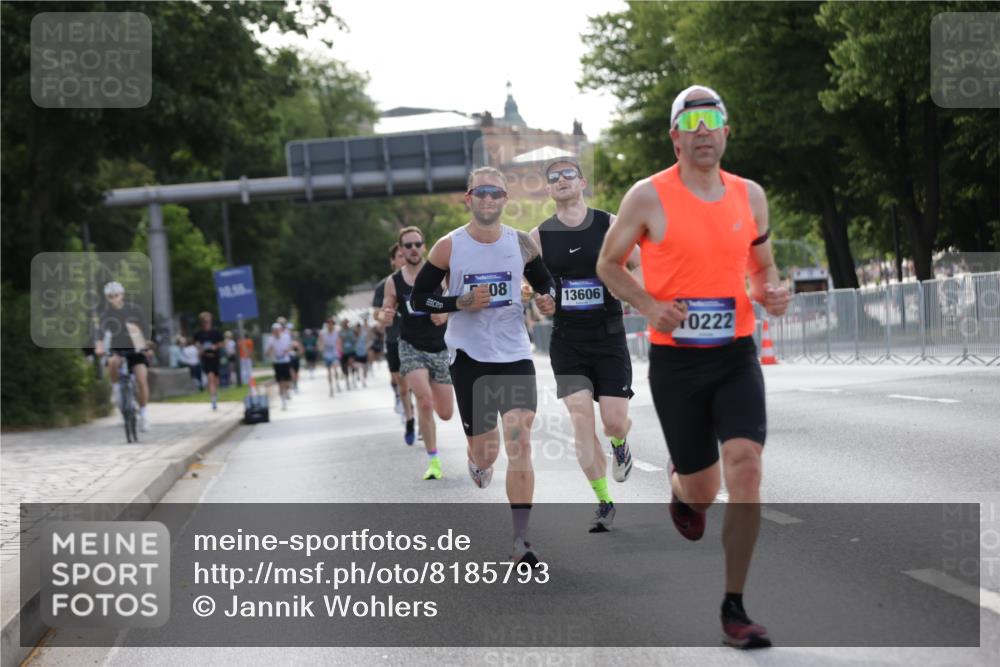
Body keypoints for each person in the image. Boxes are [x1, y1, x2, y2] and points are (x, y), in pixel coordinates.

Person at [596, 85, 791, 649]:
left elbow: (761, 265)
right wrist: (651, 305)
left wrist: (770, 291)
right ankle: (684, 492)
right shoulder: (647, 197)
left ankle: (735, 607)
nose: (704, 129)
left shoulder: (750, 196)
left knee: (746, 466)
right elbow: (609, 264)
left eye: (714, 119)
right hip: (677, 362)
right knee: (704, 490)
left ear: (727, 131)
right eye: (692, 120)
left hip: (734, 355)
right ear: (675, 135)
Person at [410, 167, 556, 564]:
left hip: (514, 354)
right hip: (469, 357)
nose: (488, 200)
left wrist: (547, 300)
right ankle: (477, 461)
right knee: (489, 453)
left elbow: (546, 285)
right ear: (469, 198)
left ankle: (522, 540)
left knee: (520, 439)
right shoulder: (448, 246)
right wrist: (459, 302)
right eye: (481, 193)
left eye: (496, 193)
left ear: (505, 199)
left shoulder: (521, 244)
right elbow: (419, 299)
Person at [530, 156, 640, 533]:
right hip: (567, 340)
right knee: (580, 415)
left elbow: (638, 263)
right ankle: (603, 501)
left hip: (609, 336)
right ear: (548, 189)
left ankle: (621, 444)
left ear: (581, 182)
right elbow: (533, 287)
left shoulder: (608, 223)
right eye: (553, 177)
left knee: (613, 422)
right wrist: (541, 300)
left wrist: (622, 283)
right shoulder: (539, 236)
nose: (561, 180)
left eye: (568, 174)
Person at [379, 226, 454, 476]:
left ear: (424, 246)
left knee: (445, 413)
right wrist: (385, 315)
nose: (413, 249)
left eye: (417, 244)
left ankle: (431, 423)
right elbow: (385, 310)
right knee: (424, 400)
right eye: (407, 245)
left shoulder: (440, 274)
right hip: (410, 345)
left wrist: (445, 313)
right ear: (401, 250)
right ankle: (434, 462)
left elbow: (458, 300)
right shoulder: (394, 281)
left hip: (440, 347)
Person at [94, 281, 152, 431]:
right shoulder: (106, 314)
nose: (114, 298)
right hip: (117, 348)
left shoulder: (134, 310)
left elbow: (145, 329)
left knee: (141, 380)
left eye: (116, 295)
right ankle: (116, 390)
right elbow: (101, 332)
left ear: (122, 295)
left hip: (136, 348)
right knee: (113, 362)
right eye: (110, 296)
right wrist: (100, 346)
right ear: (107, 297)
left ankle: (144, 415)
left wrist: (148, 345)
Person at [373, 244, 415, 424]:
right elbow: (377, 314)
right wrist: (385, 316)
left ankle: (422, 420)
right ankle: (408, 413)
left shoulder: (420, 280)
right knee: (403, 385)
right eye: (399, 256)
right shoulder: (383, 285)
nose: (403, 259)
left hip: (416, 339)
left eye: (405, 255)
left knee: (419, 384)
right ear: (392, 261)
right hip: (394, 339)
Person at [193, 312, 224, 410]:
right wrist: (199, 348)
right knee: (210, 377)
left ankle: (215, 393)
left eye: (207, 320)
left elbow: (222, 343)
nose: (206, 322)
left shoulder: (216, 332)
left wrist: (215, 346)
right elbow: (196, 343)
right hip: (206, 357)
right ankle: (213, 399)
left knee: (216, 379)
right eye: (204, 321)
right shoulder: (199, 333)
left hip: (215, 357)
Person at [266, 322, 293, 409]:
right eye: (274, 331)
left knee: (287, 381)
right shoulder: (270, 339)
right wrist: (270, 351)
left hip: (285, 361)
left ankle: (287, 391)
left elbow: (290, 346)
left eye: (278, 330)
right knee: (280, 381)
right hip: (277, 362)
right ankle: (283, 401)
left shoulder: (286, 336)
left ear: (280, 330)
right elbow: (267, 352)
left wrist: (287, 350)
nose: (276, 332)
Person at [319, 317, 341, 396]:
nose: (330, 325)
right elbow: (320, 342)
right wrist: (321, 347)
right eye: (328, 323)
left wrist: (339, 349)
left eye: (331, 323)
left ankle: (337, 382)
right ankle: (331, 387)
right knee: (328, 371)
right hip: (327, 353)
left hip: (334, 352)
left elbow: (339, 341)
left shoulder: (336, 331)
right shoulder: (323, 332)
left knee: (335, 368)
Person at [339, 318, 357, 390]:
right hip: (344, 351)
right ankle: (347, 380)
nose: (346, 324)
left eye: (347, 323)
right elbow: (339, 341)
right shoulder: (340, 332)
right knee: (345, 367)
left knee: (351, 363)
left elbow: (355, 339)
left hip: (351, 350)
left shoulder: (351, 331)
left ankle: (353, 378)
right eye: (344, 323)